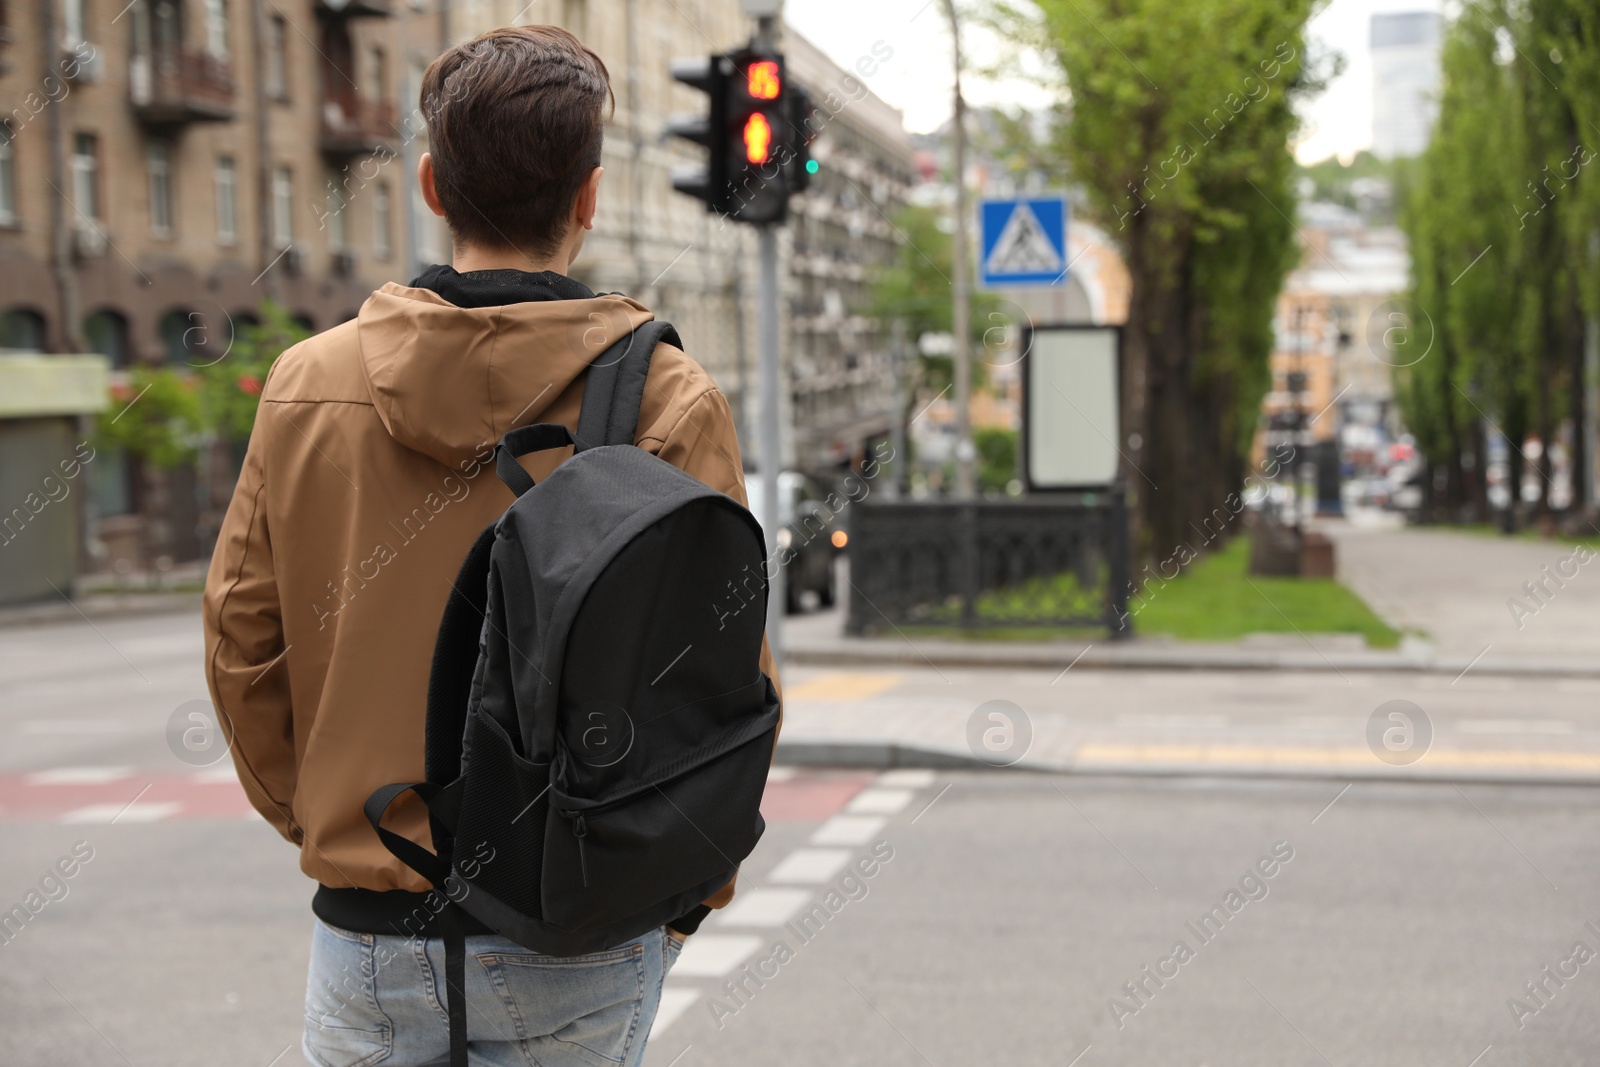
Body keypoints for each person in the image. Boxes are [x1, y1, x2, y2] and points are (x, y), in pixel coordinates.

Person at [203, 25, 775, 1066]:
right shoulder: (663, 394)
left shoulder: (306, 385)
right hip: (579, 913)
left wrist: (330, 824)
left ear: (430, 184)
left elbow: (244, 642)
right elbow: (724, 676)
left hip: (370, 923)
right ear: (589, 197)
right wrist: (685, 892)